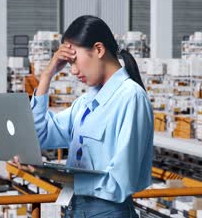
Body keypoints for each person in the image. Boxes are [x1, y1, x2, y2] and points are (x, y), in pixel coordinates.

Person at [29, 15, 153, 217]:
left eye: (75, 60)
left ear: (98, 49)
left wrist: (60, 175)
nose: (74, 71)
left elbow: (121, 181)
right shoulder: (85, 103)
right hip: (74, 208)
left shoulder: (131, 97)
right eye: (68, 64)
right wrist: (46, 76)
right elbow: (40, 135)